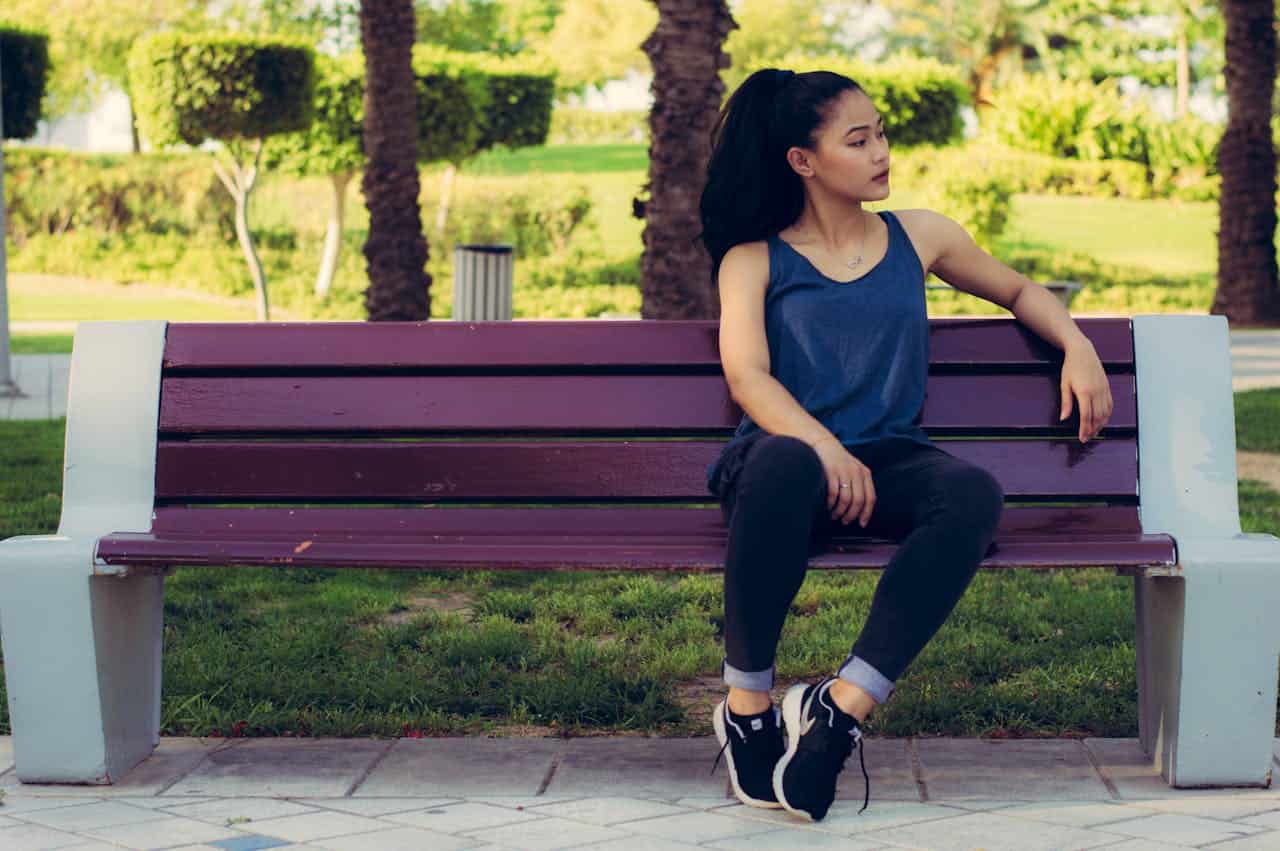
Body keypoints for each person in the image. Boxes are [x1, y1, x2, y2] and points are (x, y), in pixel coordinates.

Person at [699, 68, 1115, 822]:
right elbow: (748, 376)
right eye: (858, 141)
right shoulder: (754, 259)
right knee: (789, 459)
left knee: (971, 493)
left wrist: (1076, 342)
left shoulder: (918, 236)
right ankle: (747, 705)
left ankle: (843, 706)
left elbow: (1020, 290)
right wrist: (825, 447)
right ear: (804, 160)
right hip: (780, 468)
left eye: (882, 133)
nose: (882, 152)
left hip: (884, 461)